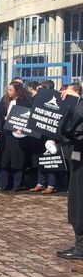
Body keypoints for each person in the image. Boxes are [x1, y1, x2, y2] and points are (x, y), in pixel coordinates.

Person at [57, 85, 83, 259]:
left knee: (79, 200)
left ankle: (80, 248)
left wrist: (76, 101)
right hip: (78, 154)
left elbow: (72, 125)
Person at [0, 81, 31, 191]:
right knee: (5, 159)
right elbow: (2, 114)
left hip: (18, 135)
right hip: (7, 133)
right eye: (8, 90)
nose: (8, 92)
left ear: (17, 91)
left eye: (11, 90)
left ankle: (17, 184)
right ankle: (4, 184)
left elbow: (26, 117)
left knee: (17, 160)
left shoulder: (24, 102)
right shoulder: (6, 101)